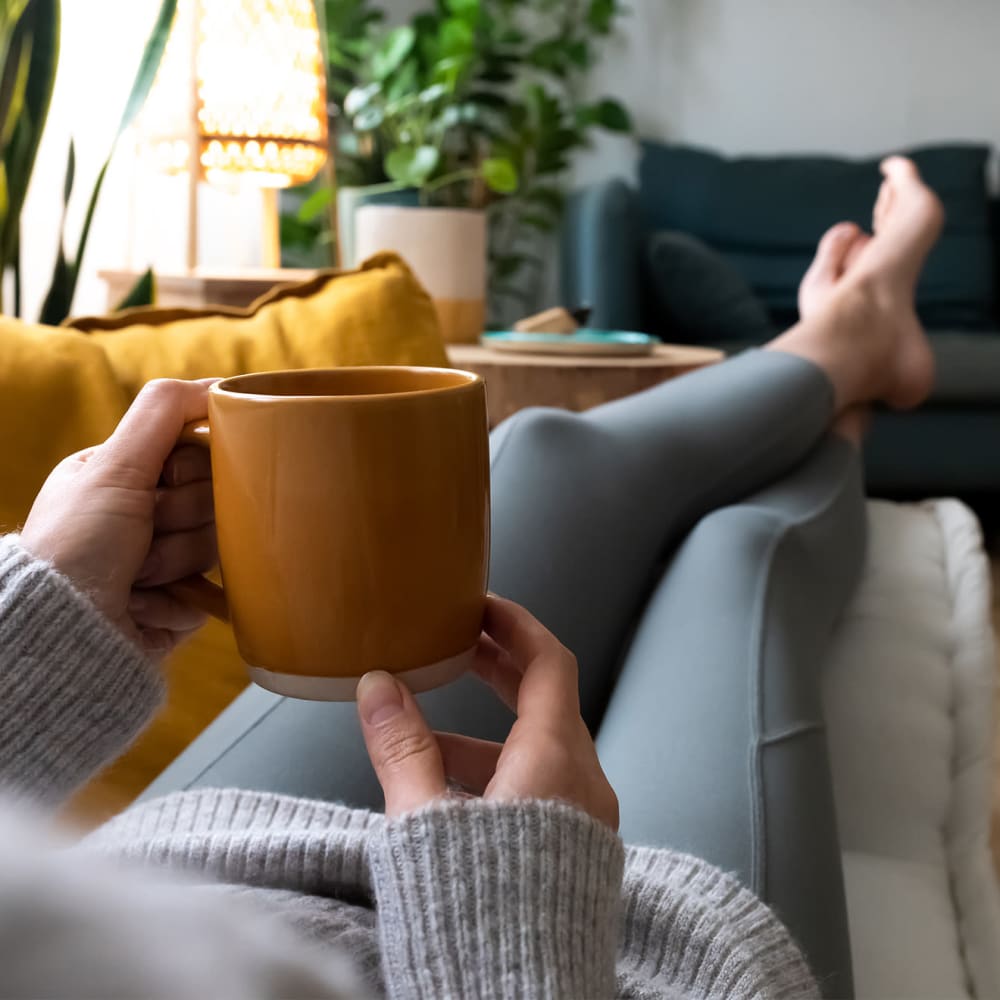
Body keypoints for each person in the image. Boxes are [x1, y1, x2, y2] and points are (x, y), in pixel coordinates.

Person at [0, 157, 942, 999]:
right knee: (735, 546)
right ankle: (848, 381)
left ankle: (848, 350)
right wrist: (506, 935)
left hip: (173, 878)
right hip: (525, 956)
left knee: (541, 449)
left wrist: (41, 628)